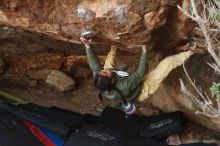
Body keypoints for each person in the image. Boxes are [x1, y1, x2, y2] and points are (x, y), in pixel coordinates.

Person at [80, 37, 197, 114]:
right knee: (167, 64)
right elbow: (141, 73)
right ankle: (190, 51)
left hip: (125, 85)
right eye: (105, 73)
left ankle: (113, 48)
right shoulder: (123, 86)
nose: (103, 71)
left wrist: (88, 47)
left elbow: (95, 67)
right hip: (142, 88)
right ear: (112, 81)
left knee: (107, 64)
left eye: (102, 72)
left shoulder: (101, 79)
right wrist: (144, 52)